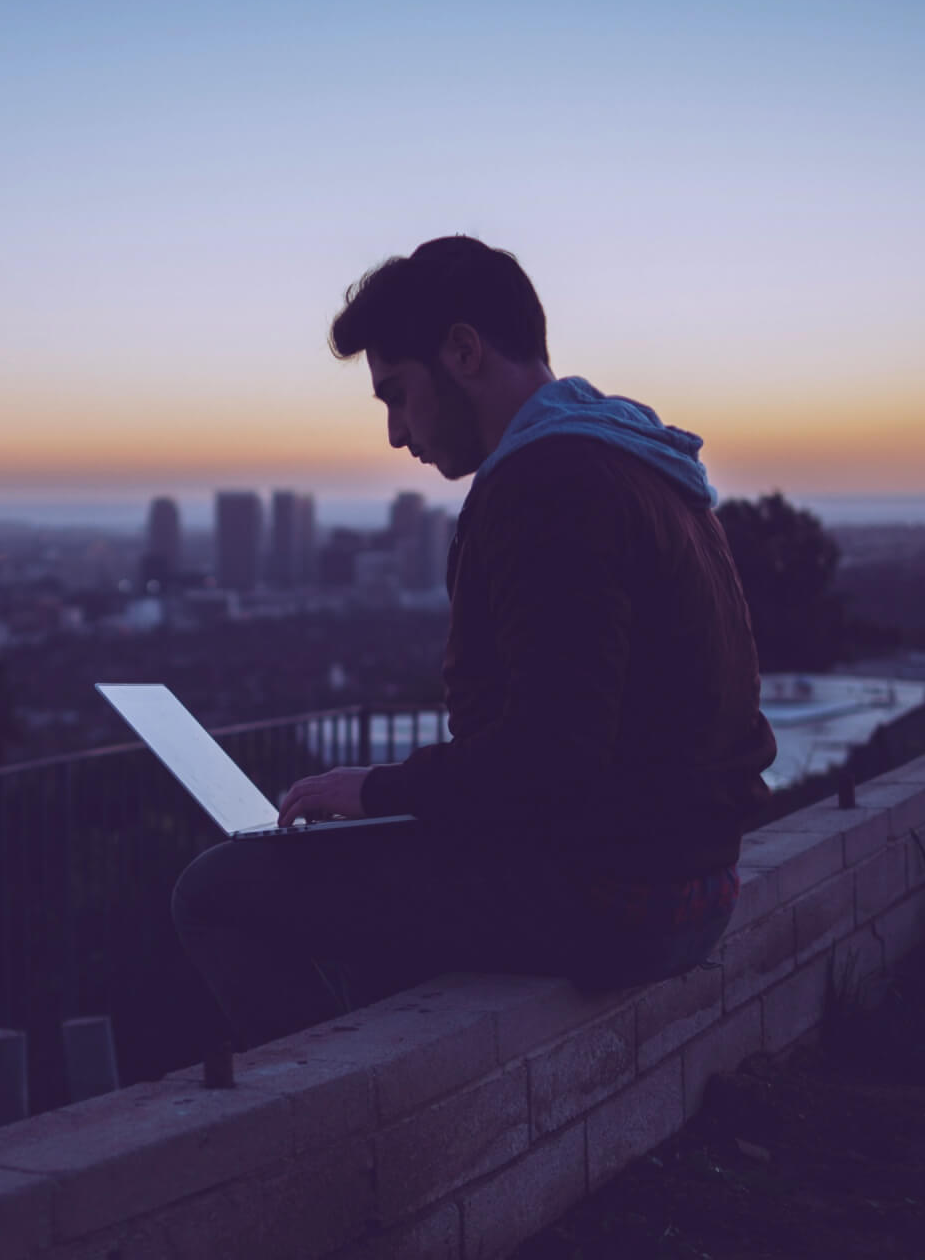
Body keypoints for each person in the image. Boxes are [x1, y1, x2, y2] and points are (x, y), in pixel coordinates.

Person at [172, 236, 778, 1051]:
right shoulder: (641, 462)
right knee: (369, 880)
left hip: (618, 903)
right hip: (694, 884)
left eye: (397, 395)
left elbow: (551, 757)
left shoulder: (547, 485)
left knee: (217, 891)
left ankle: (336, 1121)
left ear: (462, 351)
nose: (395, 434)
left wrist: (377, 791)